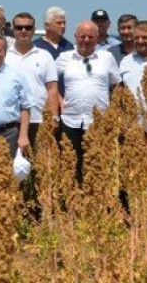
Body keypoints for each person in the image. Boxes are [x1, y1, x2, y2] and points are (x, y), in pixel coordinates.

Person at [56, 21, 120, 183]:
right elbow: (50, 83)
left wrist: (113, 112)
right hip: (71, 121)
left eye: (90, 36)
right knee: (71, 168)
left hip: (98, 123)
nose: (86, 40)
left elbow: (117, 85)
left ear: (97, 38)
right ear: (75, 37)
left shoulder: (107, 57)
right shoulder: (64, 58)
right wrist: (60, 101)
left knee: (99, 167)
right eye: (82, 36)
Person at [5, 12, 60, 150]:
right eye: (19, 27)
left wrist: (54, 117)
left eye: (28, 28)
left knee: (38, 166)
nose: (23, 30)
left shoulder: (45, 56)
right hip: (11, 121)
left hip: (39, 119)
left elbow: (52, 89)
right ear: (13, 30)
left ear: (34, 31)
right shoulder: (5, 56)